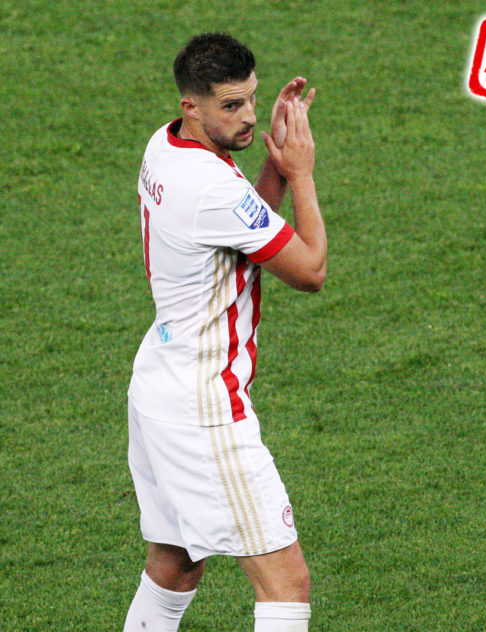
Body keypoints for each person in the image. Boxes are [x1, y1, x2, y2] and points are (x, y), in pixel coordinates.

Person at [124, 32, 326, 632]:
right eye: (232, 106)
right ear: (192, 106)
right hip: (203, 406)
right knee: (286, 583)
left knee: (175, 563)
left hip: (158, 384)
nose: (250, 117)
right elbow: (310, 270)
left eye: (252, 99)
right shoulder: (209, 188)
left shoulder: (165, 145)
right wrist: (301, 172)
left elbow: (242, 227)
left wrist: (272, 169)